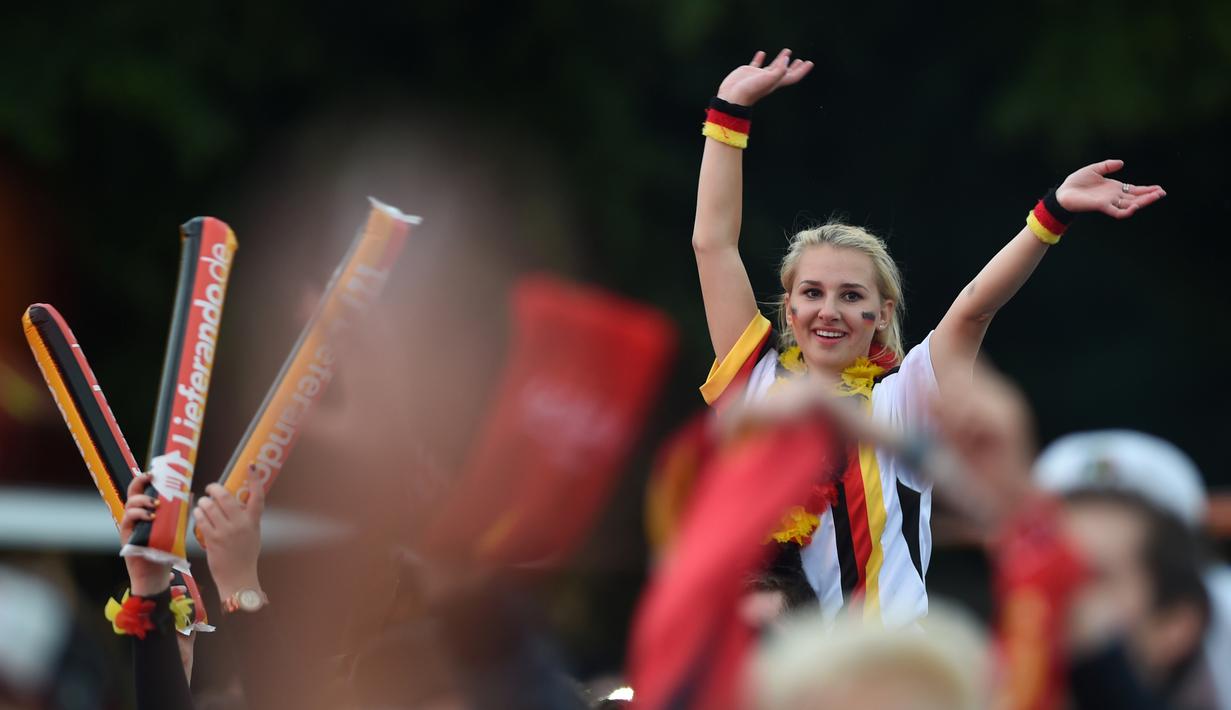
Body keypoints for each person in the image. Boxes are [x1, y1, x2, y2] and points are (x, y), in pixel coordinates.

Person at [691, 47, 1165, 625]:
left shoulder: (903, 396)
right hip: (777, 667)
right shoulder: (753, 381)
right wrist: (729, 111)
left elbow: (973, 311)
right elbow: (713, 245)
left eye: (851, 296)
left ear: (882, 313)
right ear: (789, 311)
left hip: (894, 663)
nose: (829, 311)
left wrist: (1053, 212)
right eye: (812, 293)